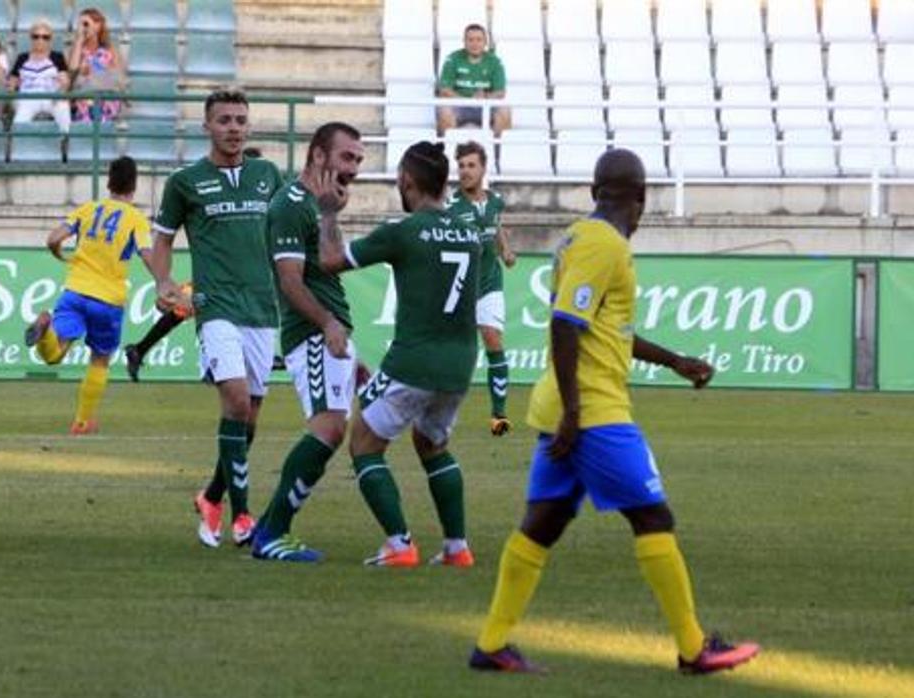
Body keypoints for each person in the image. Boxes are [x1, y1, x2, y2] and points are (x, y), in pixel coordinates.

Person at [469, 149, 760, 675]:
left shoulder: (581, 237)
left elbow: (605, 328)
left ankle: (491, 643)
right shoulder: (604, 245)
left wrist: (673, 361)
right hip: (592, 410)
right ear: (643, 198)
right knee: (653, 515)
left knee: (544, 522)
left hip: (565, 403)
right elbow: (565, 324)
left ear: (593, 190)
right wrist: (576, 415)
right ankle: (695, 648)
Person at [317, 141, 481, 567]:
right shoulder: (469, 232)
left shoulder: (403, 232)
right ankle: (456, 548)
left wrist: (328, 212)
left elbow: (330, 260)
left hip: (415, 359)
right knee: (432, 444)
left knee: (365, 445)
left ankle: (399, 543)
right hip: (461, 362)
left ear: (407, 181)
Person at [148, 89, 284, 549]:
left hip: (263, 307)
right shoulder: (186, 181)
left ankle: (210, 495)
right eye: (224, 119)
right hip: (216, 306)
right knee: (238, 401)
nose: (233, 127)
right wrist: (163, 283)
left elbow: (288, 228)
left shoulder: (268, 175)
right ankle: (243, 515)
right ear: (206, 126)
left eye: (241, 120)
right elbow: (161, 239)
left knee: (249, 420)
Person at [247, 123, 366, 562]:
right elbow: (291, 283)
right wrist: (329, 325)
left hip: (330, 333)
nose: (353, 168)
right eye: (347, 157)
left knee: (334, 428)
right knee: (329, 428)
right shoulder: (289, 205)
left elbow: (329, 267)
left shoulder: (318, 205)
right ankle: (273, 532)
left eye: (357, 160)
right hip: (311, 333)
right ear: (318, 155)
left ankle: (267, 526)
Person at [24, 157, 153, 435]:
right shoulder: (135, 219)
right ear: (134, 185)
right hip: (107, 300)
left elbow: (52, 239)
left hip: (74, 292)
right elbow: (146, 253)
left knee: (53, 355)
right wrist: (164, 281)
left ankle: (45, 329)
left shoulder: (87, 209)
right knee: (100, 359)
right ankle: (82, 422)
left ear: (108, 182)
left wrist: (60, 254)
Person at [122, 147, 267, 382]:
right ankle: (209, 362)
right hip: (218, 279)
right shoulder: (230, 200)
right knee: (191, 310)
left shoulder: (255, 205)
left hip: (239, 280)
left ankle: (139, 350)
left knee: (185, 311)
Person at [446, 141, 517, 435]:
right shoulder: (452, 206)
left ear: (483, 168)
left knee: (492, 339)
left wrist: (506, 251)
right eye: (461, 166)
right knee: (456, 351)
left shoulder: (495, 201)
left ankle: (498, 415)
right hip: (460, 288)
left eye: (471, 165)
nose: (465, 171)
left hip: (489, 282)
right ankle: (440, 411)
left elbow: (496, 227)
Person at [437, 24, 510, 136]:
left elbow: (501, 92)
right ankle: (449, 150)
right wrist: (465, 100)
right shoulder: (452, 59)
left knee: (504, 111)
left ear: (485, 42)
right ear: (464, 41)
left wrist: (485, 97)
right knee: (444, 111)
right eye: (470, 40)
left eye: (479, 40)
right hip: (459, 104)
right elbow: (444, 89)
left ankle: (497, 150)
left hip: (485, 105)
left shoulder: (494, 61)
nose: (474, 44)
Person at [9, 19, 71, 131]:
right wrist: (15, 96)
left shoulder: (57, 57)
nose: (40, 40)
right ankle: (17, 143)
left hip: (51, 96)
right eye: (36, 36)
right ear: (31, 38)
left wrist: (60, 92)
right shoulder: (22, 58)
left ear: (50, 39)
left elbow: (65, 82)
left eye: (45, 37)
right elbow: (12, 84)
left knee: (62, 105)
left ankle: (65, 139)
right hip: (28, 96)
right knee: (20, 119)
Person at [67, 6, 124, 124]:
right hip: (84, 95)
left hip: (106, 95)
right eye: (80, 24)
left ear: (98, 26)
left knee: (96, 106)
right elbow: (72, 69)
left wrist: (94, 73)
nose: (83, 28)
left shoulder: (110, 49)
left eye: (86, 24)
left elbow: (118, 77)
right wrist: (79, 40)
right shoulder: (78, 48)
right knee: (85, 104)